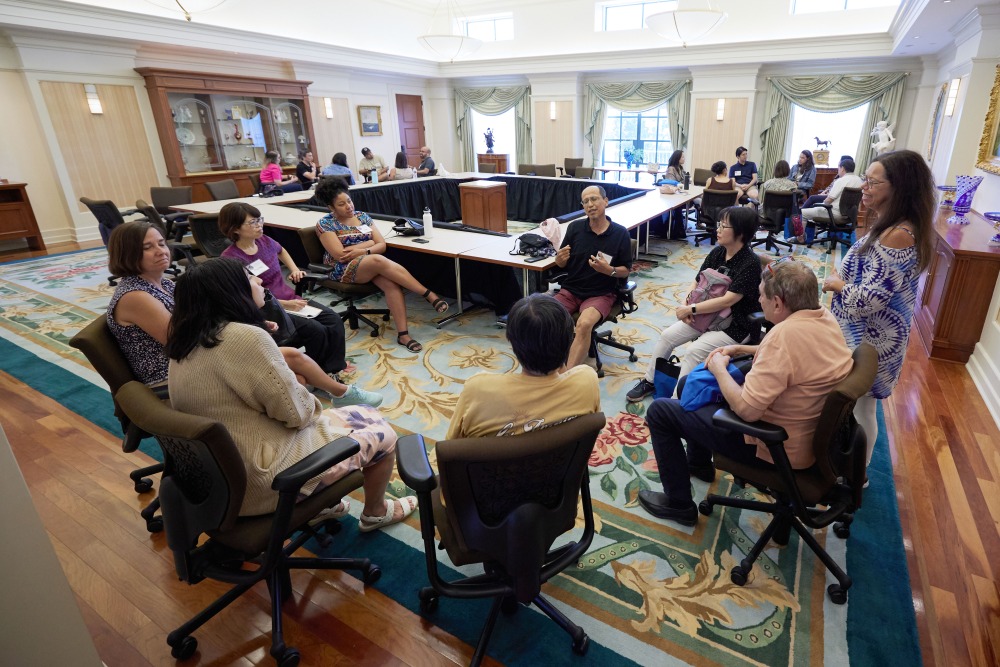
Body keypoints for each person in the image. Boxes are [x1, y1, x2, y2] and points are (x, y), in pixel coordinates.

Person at [165, 258, 416, 527]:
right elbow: (299, 414)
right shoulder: (244, 338)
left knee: (352, 414)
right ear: (231, 293)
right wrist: (299, 386)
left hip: (220, 477)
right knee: (383, 433)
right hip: (265, 483)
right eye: (250, 278)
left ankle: (319, 506)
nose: (260, 281)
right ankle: (375, 511)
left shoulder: (187, 338)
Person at [638, 260, 854, 525]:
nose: (758, 301)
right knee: (687, 387)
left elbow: (747, 411)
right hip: (808, 438)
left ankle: (678, 504)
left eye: (761, 295)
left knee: (661, 411)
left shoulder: (783, 339)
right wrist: (741, 349)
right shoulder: (823, 317)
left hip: (774, 448)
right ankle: (698, 464)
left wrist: (719, 368)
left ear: (778, 303)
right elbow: (796, 357)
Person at [105, 220, 377, 406]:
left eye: (161, 243)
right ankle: (323, 405)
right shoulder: (136, 296)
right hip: (173, 376)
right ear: (128, 253)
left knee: (293, 367)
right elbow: (181, 342)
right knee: (292, 370)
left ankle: (329, 402)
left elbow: (198, 319)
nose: (161, 251)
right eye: (147, 247)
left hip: (194, 360)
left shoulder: (162, 282)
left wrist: (250, 323)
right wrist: (242, 331)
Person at [823, 149, 935, 470]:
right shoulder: (896, 224)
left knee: (863, 409)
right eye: (866, 180)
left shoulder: (898, 235)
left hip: (872, 340)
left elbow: (870, 300)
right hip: (869, 336)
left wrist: (838, 285)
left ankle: (859, 474)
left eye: (873, 182)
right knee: (858, 407)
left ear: (900, 188)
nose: (865, 188)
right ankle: (850, 465)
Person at [218, 202, 366, 384]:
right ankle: (317, 376)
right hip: (269, 309)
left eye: (259, 220)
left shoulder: (264, 240)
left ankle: (332, 369)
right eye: (252, 222)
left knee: (333, 320)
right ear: (235, 229)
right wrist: (284, 304)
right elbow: (244, 296)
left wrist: (294, 269)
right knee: (316, 330)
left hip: (289, 298)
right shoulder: (230, 259)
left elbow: (281, 251)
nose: (259, 225)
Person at [626, 207, 763, 403]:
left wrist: (691, 309)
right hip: (704, 314)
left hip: (736, 325)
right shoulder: (718, 252)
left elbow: (728, 300)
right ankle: (650, 381)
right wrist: (686, 305)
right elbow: (698, 280)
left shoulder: (750, 262)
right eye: (719, 224)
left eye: (724, 226)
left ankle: (674, 403)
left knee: (694, 351)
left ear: (740, 233)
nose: (718, 229)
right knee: (667, 337)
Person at [313, 179, 447, 353]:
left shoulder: (362, 217)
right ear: (331, 208)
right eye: (341, 204)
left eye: (349, 201)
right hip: (340, 268)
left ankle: (403, 335)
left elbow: (381, 245)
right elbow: (341, 255)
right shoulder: (325, 224)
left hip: (367, 262)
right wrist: (369, 244)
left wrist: (362, 249)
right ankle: (428, 294)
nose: (349, 206)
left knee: (390, 282)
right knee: (378, 261)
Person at [446, 293, 600, 440]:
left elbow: (451, 448)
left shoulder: (478, 390)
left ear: (511, 341)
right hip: (563, 466)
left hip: (497, 467)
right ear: (569, 340)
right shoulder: (587, 380)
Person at [552, 185, 633, 368]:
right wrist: (559, 260)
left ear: (605, 201)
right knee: (544, 318)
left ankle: (567, 377)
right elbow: (562, 263)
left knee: (584, 324)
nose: (590, 204)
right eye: (586, 201)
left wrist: (609, 270)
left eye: (594, 199)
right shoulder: (575, 228)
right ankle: (548, 366)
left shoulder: (620, 233)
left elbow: (626, 269)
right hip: (571, 290)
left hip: (601, 293)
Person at [799, 157, 864, 243]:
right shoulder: (859, 181)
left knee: (803, 213)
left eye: (838, 168)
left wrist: (821, 204)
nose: (838, 170)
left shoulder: (841, 181)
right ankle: (812, 232)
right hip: (850, 215)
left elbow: (828, 200)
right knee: (813, 209)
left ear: (843, 168)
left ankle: (800, 239)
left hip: (834, 214)